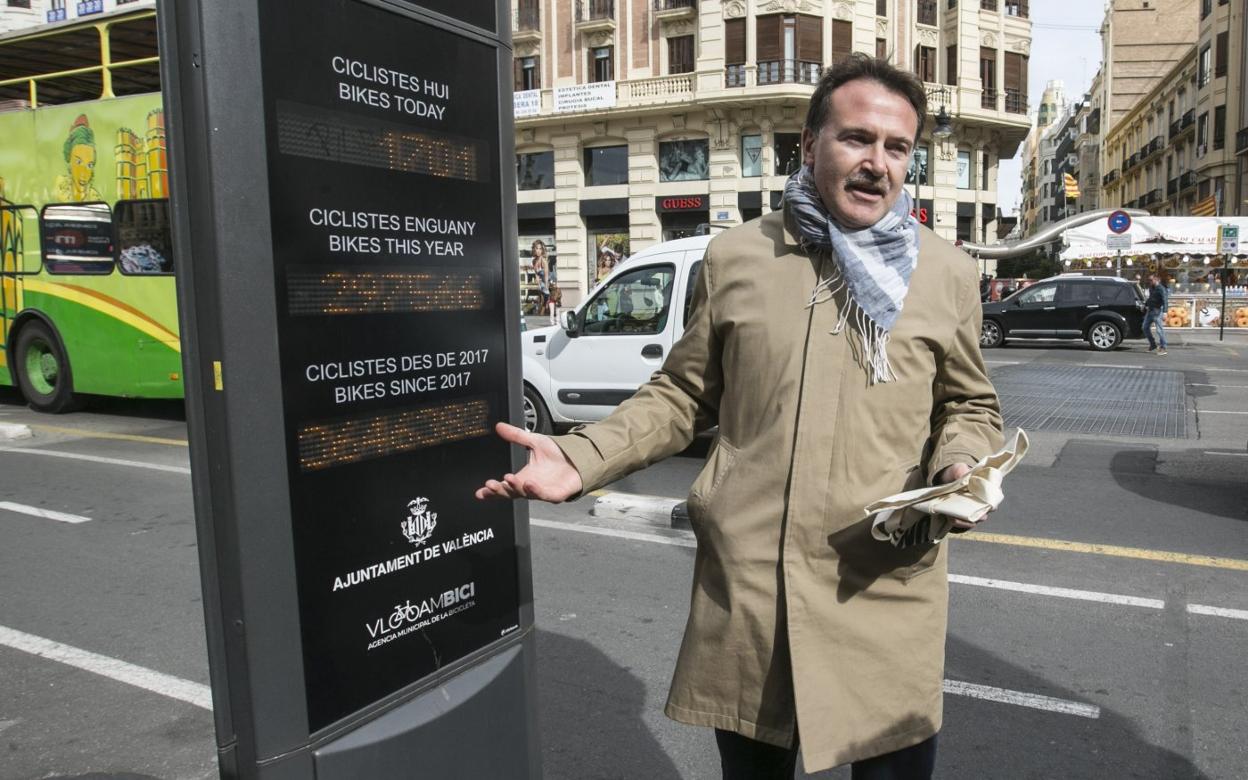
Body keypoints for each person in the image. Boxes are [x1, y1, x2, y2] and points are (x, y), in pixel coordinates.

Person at [476, 54, 1002, 778]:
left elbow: (968, 403)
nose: (877, 163)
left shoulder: (946, 273)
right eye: (856, 139)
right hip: (755, 591)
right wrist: (582, 455)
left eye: (896, 146)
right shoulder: (737, 258)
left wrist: (961, 465)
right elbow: (684, 395)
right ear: (810, 144)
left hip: (883, 582)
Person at [53, 114, 102, 202]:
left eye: (90, 165)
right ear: (69, 160)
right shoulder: (61, 186)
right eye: (78, 162)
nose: (83, 173)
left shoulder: (95, 197)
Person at [1144, 273, 1169, 355]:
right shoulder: (1152, 288)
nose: (1149, 282)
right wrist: (1146, 305)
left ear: (1156, 280)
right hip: (1150, 310)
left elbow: (1165, 300)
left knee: (1159, 330)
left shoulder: (1161, 288)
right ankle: (1153, 344)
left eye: (1151, 280)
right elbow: (1151, 298)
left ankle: (1163, 347)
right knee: (1145, 327)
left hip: (1157, 310)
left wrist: (1165, 312)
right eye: (1149, 280)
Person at [530, 239, 549, 314]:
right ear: (534, 249)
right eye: (537, 248)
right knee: (540, 300)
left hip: (548, 283)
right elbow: (536, 273)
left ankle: (543, 311)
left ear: (542, 250)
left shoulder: (543, 261)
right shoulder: (534, 261)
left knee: (545, 299)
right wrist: (538, 283)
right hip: (541, 284)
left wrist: (546, 287)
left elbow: (547, 275)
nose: (538, 250)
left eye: (540, 249)